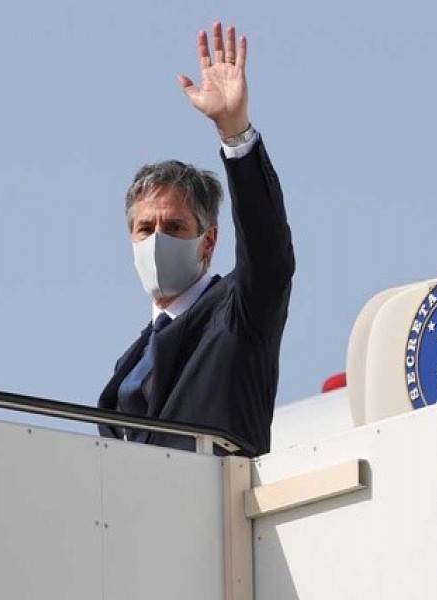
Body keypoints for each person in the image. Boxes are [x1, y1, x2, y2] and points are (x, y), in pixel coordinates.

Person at [97, 22, 294, 457]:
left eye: (175, 228)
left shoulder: (237, 314)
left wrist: (236, 133)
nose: (156, 241)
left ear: (208, 242)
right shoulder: (129, 361)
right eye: (145, 229)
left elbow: (268, 253)